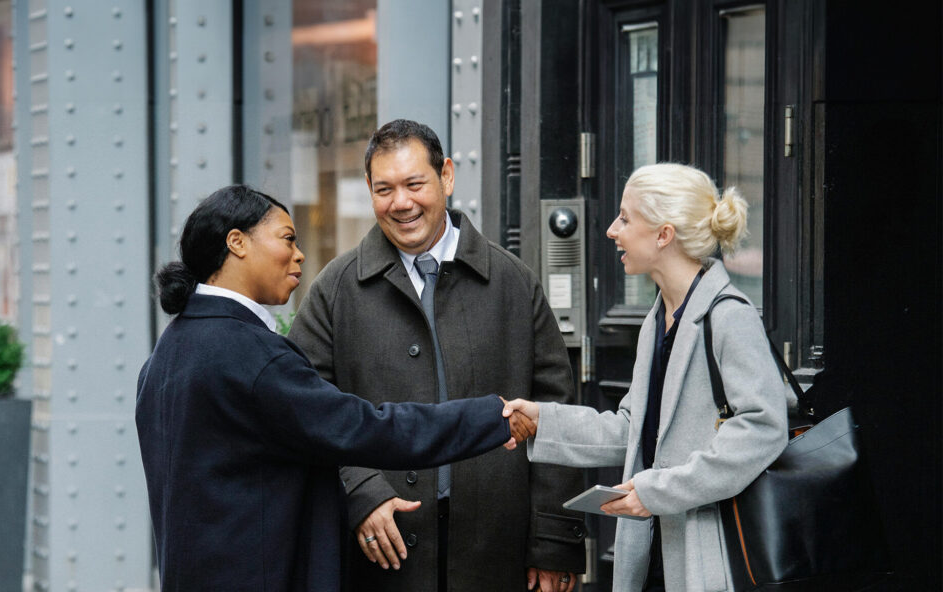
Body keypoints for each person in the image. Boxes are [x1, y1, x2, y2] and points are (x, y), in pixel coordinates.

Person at [135, 185, 535, 591]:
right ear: (237, 242)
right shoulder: (249, 355)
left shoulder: (165, 356)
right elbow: (366, 429)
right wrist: (491, 417)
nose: (299, 254)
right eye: (287, 238)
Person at [288, 119, 585, 592]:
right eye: (384, 188)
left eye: (414, 184)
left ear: (446, 176)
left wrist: (552, 543)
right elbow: (303, 410)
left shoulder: (513, 282)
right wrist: (361, 491)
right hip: (382, 560)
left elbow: (556, 413)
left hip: (498, 551)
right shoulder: (335, 289)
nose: (400, 203)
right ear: (368, 189)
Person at [502, 163, 790, 591]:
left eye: (625, 217)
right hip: (654, 554)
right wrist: (543, 421)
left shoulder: (730, 317)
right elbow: (631, 429)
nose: (612, 230)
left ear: (663, 234)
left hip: (710, 557)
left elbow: (764, 428)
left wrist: (658, 491)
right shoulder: (658, 320)